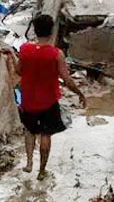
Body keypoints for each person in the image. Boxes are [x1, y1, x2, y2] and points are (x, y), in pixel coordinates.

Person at [15, 13, 85, 180]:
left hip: (28, 99)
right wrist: (80, 93)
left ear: (35, 30)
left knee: (30, 131)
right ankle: (42, 171)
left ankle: (29, 163)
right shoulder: (56, 54)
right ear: (52, 31)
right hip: (48, 101)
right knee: (45, 134)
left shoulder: (25, 49)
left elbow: (18, 71)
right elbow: (67, 80)